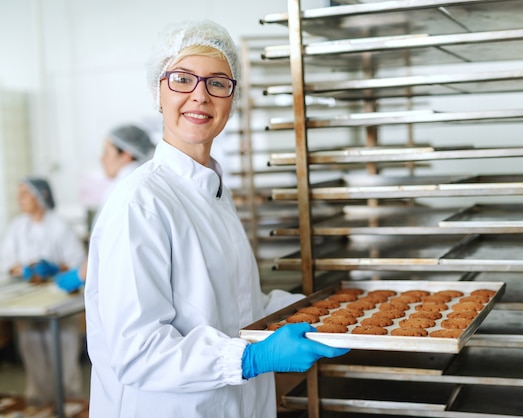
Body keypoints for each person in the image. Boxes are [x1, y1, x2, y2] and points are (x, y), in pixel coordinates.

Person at [84, 19, 349, 418]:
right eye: (182, 79)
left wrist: (321, 313)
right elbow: (137, 352)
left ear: (232, 97)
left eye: (217, 83)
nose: (200, 96)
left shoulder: (212, 193)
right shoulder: (140, 203)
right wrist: (250, 359)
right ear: (157, 91)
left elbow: (239, 306)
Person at [0, 177, 86, 405]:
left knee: (64, 352)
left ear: (40, 196)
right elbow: (8, 261)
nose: (20, 200)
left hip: (58, 297)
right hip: (28, 300)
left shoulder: (59, 226)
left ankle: (70, 401)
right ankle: (41, 402)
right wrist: (26, 270)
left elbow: (79, 262)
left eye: (24, 194)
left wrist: (55, 268)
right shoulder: (17, 226)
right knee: (32, 349)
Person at [54, 124, 155, 293]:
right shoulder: (143, 181)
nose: (102, 159)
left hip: (126, 286)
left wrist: (82, 274)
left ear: (126, 155)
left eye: (107, 152)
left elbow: (108, 244)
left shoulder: (123, 187)